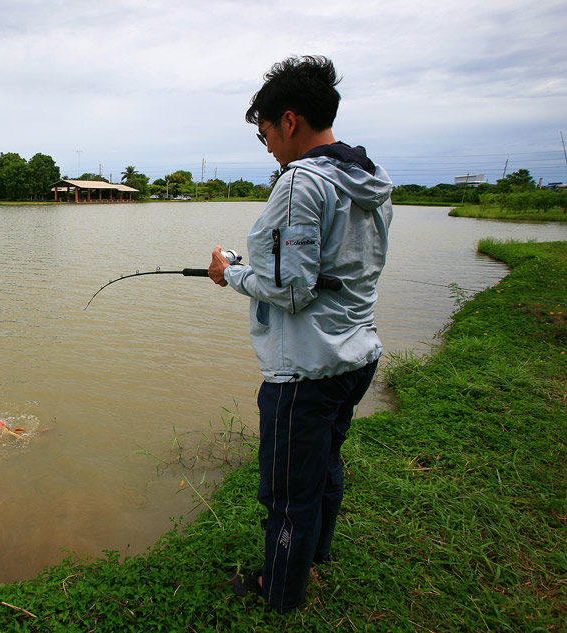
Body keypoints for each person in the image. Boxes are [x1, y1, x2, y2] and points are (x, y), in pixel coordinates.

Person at [208, 55, 393, 613]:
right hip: (355, 357)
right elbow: (321, 269)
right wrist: (254, 266)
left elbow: (291, 291)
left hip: (305, 371)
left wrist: (229, 273)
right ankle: (317, 556)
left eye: (264, 132)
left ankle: (280, 589)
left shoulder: (299, 185)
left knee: (288, 493)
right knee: (326, 466)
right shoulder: (366, 180)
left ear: (288, 121)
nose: (266, 146)